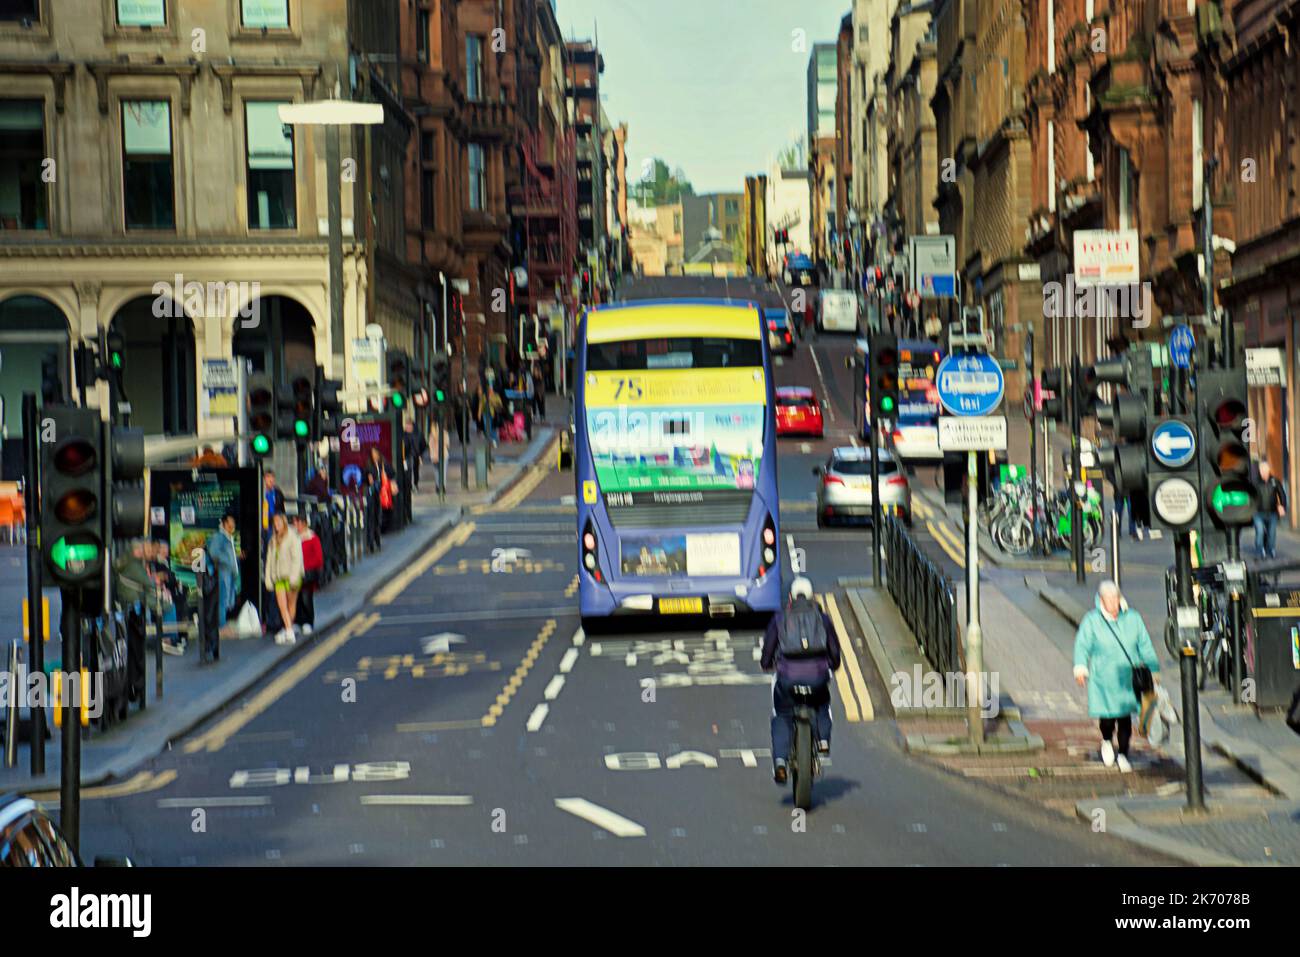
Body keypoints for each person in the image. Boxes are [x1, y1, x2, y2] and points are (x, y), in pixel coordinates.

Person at [760, 576, 842, 784]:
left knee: (782, 715)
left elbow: (769, 647)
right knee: (822, 703)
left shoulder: (780, 618)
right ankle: (823, 740)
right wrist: (832, 664)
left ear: (790, 597)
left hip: (788, 679)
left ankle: (780, 761)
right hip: (816, 678)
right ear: (812, 596)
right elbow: (834, 648)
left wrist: (766, 663)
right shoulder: (821, 618)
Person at [1073, 580, 1160, 774]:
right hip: (1103, 679)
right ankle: (1106, 740)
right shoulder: (1092, 620)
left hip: (1128, 678)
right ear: (1101, 600)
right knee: (1107, 719)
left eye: (1116, 598)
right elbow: (1082, 645)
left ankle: (1123, 754)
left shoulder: (1133, 618)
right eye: (1109, 600)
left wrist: (1153, 669)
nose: (1114, 604)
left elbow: (1144, 644)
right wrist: (1080, 668)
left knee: (1124, 717)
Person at [263, 511, 304, 645]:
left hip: (292, 576)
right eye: (274, 523)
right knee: (282, 606)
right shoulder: (273, 540)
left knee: (291, 606)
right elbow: (269, 561)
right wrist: (268, 578)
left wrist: (293, 577)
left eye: (278, 522)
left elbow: (297, 559)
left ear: (284, 522)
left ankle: (288, 629)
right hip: (279, 577)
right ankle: (289, 631)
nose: (276, 525)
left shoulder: (293, 537)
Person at [208, 511, 242, 636]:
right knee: (222, 599)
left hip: (229, 572)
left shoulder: (228, 537)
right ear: (224, 523)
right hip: (222, 572)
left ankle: (223, 624)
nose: (233, 524)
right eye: (230, 522)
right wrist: (227, 561)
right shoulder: (219, 537)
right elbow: (214, 553)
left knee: (227, 598)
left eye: (233, 522)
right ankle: (221, 627)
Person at [292, 512, 323, 635]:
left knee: (306, 598)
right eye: (294, 523)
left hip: (307, 574)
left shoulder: (312, 537)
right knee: (297, 599)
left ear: (303, 523)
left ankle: (308, 622)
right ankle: (298, 622)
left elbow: (319, 558)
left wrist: (308, 567)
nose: (295, 526)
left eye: (297, 523)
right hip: (295, 573)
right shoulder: (293, 538)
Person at [1254, 460, 1287, 560]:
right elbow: (1250, 496)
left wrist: (1282, 506)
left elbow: (1282, 494)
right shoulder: (1255, 482)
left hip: (1272, 512)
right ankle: (1260, 550)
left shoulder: (1274, 481)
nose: (1263, 472)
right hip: (1258, 513)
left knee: (1271, 533)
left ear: (1269, 470)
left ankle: (1270, 549)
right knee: (1259, 531)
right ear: (1259, 471)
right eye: (1261, 470)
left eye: (1265, 470)